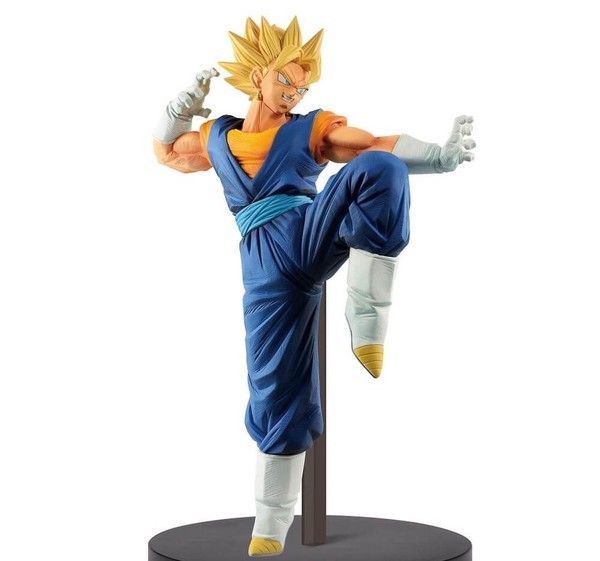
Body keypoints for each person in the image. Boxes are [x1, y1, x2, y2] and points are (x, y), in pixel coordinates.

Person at [152, 16, 475, 557]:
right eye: (286, 81)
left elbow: (371, 144)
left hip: (310, 230)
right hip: (264, 263)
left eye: (302, 87)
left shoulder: (310, 127)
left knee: (380, 168)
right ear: (258, 76)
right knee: (276, 385)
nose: (294, 93)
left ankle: (367, 315)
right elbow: (167, 153)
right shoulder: (216, 137)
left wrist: (438, 158)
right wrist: (179, 109)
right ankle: (270, 524)